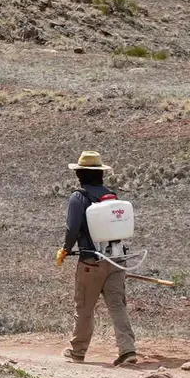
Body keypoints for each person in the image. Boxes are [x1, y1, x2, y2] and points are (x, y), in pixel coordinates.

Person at [59, 148, 137, 366]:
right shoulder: (110, 196)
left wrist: (65, 249)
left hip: (91, 262)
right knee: (117, 305)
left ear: (80, 174)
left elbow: (72, 229)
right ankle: (128, 350)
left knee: (84, 307)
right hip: (117, 260)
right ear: (101, 173)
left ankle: (77, 351)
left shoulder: (79, 197)